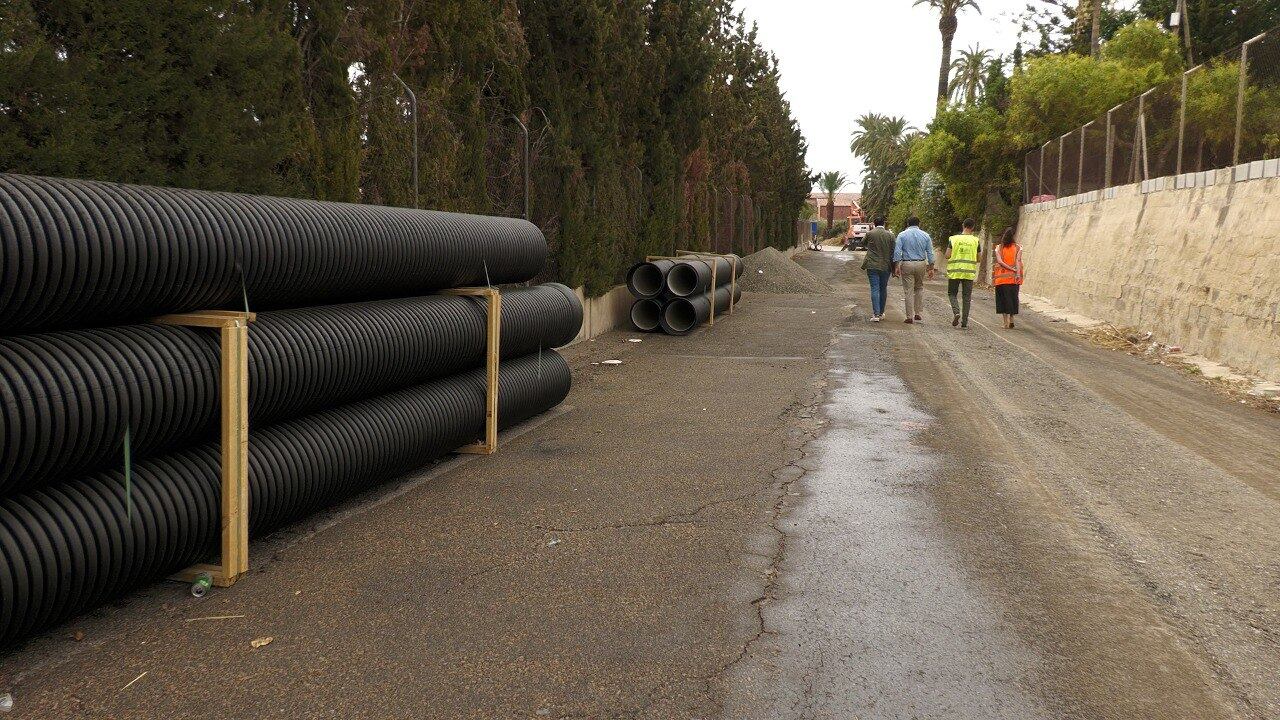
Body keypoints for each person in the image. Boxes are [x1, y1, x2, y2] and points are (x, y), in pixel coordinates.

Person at [892, 216, 935, 324]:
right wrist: (931, 267)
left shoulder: (902, 235)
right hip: (921, 263)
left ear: (907, 224)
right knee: (919, 287)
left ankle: (909, 316)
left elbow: (897, 251)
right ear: (919, 223)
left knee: (908, 290)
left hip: (907, 263)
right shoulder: (926, 235)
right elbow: (930, 252)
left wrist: (896, 265)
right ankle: (918, 313)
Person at [944, 218, 981, 328]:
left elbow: (947, 255)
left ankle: (956, 312)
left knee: (952, 294)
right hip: (968, 273)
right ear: (973, 227)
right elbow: (979, 258)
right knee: (967, 297)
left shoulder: (954, 239)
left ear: (963, 225)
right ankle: (964, 322)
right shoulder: (976, 241)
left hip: (955, 271)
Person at [860, 217, 894, 322]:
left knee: (874, 288)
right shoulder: (890, 235)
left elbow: (863, 243)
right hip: (885, 265)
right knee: (883, 288)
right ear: (884, 223)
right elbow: (893, 250)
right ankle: (881, 313)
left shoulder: (870, 233)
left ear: (874, 224)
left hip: (872, 265)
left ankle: (875, 314)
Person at [993, 226, 1024, 328]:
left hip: (1001, 279)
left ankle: (1005, 323)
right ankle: (1012, 320)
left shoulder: (998, 248)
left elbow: (1000, 262)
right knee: (1012, 299)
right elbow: (1018, 261)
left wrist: (1010, 269)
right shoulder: (1018, 248)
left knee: (1002, 300)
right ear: (1013, 236)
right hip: (1013, 279)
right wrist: (1017, 273)